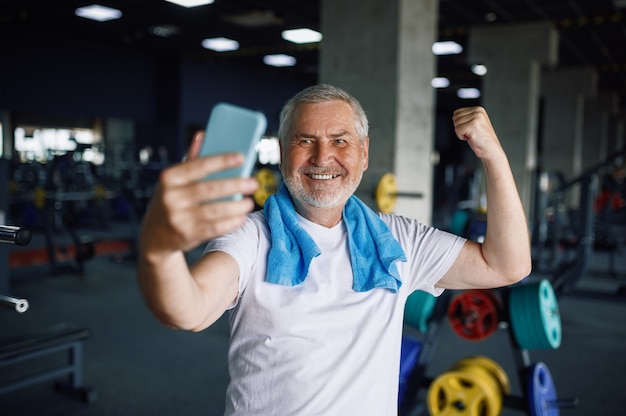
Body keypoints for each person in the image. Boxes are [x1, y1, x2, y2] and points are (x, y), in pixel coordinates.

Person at [137, 84, 531, 415]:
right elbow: (189, 310)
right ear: (283, 151)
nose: (322, 158)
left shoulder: (399, 241)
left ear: (363, 153)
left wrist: (493, 156)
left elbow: (507, 266)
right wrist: (160, 248)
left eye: (339, 141)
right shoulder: (250, 236)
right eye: (304, 140)